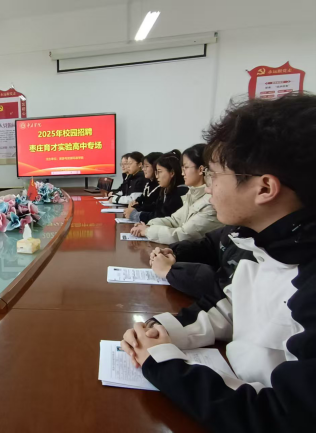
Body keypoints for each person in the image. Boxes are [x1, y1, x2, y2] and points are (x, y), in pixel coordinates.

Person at [120, 94, 316, 432]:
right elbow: (228, 308)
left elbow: (282, 416)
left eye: (213, 176)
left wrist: (163, 362)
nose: (208, 188)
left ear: (264, 188)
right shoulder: (262, 244)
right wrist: (160, 330)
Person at [130, 144, 222, 243]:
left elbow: (183, 235)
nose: (183, 173)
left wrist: (147, 231)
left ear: (200, 169)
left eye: (186, 167)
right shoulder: (192, 194)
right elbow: (174, 220)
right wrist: (149, 225)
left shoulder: (211, 202)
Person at [125, 152, 187, 222]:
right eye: (156, 172)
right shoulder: (165, 190)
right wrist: (135, 208)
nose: (157, 176)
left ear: (172, 173)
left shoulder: (180, 192)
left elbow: (161, 216)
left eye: (159, 172)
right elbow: (155, 208)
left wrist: (135, 214)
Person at [124, 152, 163, 219]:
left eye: (146, 166)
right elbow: (141, 198)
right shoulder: (149, 183)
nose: (143, 169)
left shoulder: (160, 187)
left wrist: (135, 209)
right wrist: (134, 203)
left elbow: (153, 208)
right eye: (143, 166)